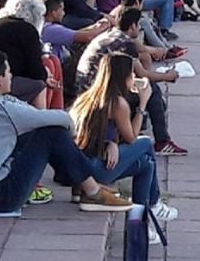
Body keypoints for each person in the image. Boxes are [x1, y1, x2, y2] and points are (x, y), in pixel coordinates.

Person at [0, 49, 132, 213]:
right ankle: (92, 190)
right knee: (52, 133)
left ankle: (84, 184)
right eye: (8, 72)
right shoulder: (2, 110)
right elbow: (62, 119)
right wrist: (70, 138)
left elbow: (28, 113)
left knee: (41, 133)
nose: (11, 76)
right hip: (0, 196)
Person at [71, 53, 178, 244]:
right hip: (97, 170)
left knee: (146, 164)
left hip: (83, 168)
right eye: (131, 74)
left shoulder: (89, 96)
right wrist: (143, 103)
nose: (134, 79)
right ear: (123, 77)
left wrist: (109, 142)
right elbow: (132, 138)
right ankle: (153, 205)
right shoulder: (118, 103)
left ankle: (140, 222)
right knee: (146, 143)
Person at [77, 8, 187, 156]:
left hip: (87, 87)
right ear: (133, 26)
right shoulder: (125, 43)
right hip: (97, 91)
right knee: (151, 90)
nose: (140, 29)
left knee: (152, 97)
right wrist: (168, 76)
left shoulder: (111, 34)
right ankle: (161, 141)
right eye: (139, 26)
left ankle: (136, 126)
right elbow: (142, 74)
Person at [0, 0, 50, 109]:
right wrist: (46, 74)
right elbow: (37, 73)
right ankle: (42, 121)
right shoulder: (27, 30)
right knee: (40, 85)